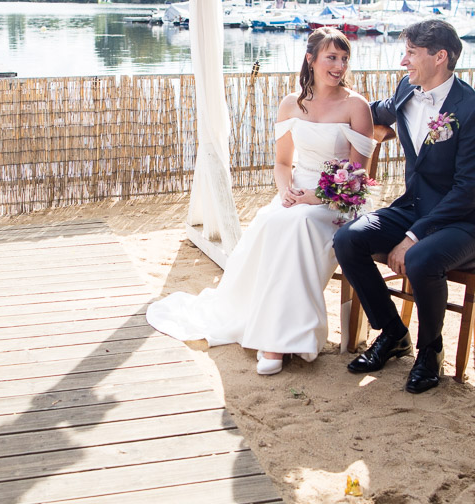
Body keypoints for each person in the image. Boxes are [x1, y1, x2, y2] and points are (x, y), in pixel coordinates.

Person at [146, 28, 374, 375]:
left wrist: (314, 197)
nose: (339, 65)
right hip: (296, 193)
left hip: (338, 200)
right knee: (272, 221)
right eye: (331, 57)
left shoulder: (356, 106)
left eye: (344, 59)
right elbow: (282, 164)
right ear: (310, 59)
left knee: (297, 224)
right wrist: (285, 192)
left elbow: (357, 178)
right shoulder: (290, 104)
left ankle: (278, 342)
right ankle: (266, 325)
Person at [333, 18, 475, 394]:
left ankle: (430, 352)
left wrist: (412, 235)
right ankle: (393, 334)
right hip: (416, 205)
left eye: (410, 53)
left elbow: (468, 191)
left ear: (440, 57)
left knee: (421, 258)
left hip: (465, 221)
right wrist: (331, 103)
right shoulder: (409, 89)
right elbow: (378, 111)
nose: (402, 61)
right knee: (348, 239)